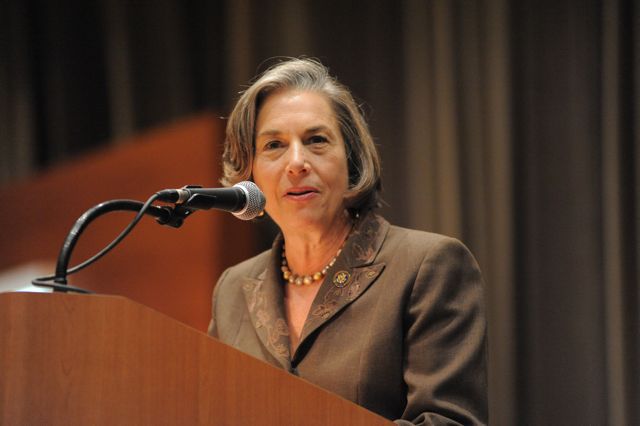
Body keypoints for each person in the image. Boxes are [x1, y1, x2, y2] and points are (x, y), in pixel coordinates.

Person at [208, 58, 487, 425]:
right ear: (250, 172)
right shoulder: (232, 290)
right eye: (274, 145)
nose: (296, 162)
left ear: (351, 160)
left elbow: (448, 421)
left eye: (316, 140)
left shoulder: (428, 266)